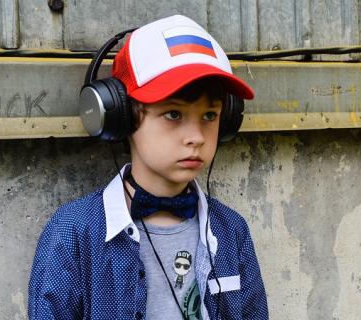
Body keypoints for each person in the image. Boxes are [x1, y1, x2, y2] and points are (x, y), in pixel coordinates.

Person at [28, 15, 268, 320]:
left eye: (209, 115)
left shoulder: (231, 231)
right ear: (120, 117)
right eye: (172, 114)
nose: (195, 137)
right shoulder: (73, 233)